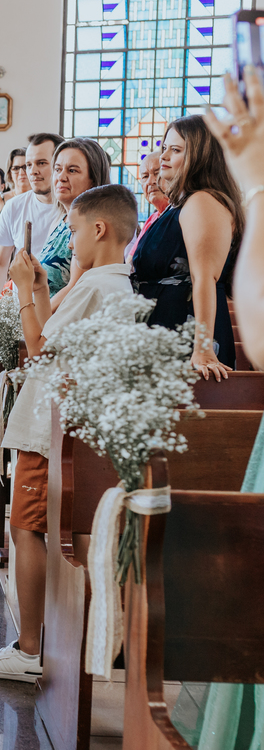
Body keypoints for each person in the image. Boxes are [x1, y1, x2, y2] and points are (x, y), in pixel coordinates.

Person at [0, 183, 137, 683]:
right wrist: (40, 289)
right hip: (63, 426)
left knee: (26, 528)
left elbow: (39, 349)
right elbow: (54, 334)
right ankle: (47, 643)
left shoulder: (97, 286)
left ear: (99, 229)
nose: (71, 240)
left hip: (52, 431)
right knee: (35, 528)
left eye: (75, 230)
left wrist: (21, 290)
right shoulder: (110, 285)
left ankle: (29, 649)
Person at [169, 61, 264, 750]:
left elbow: (227, 303)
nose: (161, 158)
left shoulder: (213, 200)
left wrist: (255, 181)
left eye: (174, 148)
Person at [132, 114, 240, 377]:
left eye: (176, 150)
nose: (164, 156)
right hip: (161, 329)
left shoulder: (202, 201)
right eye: (164, 147)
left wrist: (203, 348)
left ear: (201, 156)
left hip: (184, 334)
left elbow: (204, 277)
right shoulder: (178, 205)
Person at [0, 133, 65, 296]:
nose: (33, 171)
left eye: (41, 163)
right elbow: (0, 262)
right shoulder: (14, 206)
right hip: (24, 303)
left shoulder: (73, 208)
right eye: (29, 165)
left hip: (64, 305)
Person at [38, 137, 110, 303]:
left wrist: (33, 315)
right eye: (57, 169)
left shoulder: (90, 223)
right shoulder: (61, 219)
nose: (61, 177)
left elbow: (74, 289)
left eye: (72, 170)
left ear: (93, 179)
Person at [0, 147, 31, 260]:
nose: (21, 172)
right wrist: (3, 266)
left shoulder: (40, 199)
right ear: (9, 173)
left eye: (25, 167)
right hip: (1, 262)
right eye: (16, 168)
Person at [125, 151, 169, 262]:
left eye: (157, 173)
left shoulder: (183, 214)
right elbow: (130, 263)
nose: (151, 181)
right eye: (145, 176)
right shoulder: (152, 220)